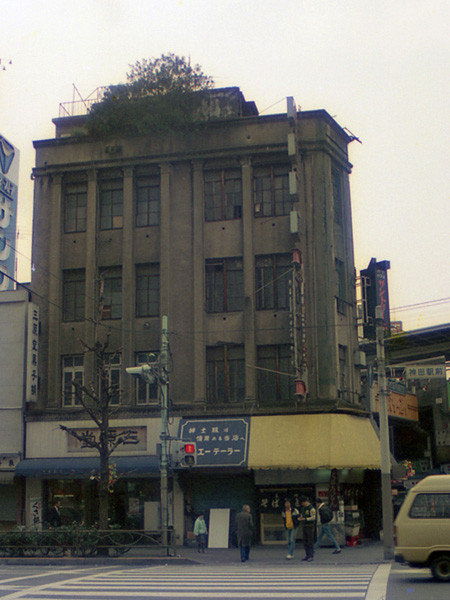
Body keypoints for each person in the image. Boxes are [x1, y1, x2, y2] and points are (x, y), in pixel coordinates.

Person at [299, 496, 316, 562]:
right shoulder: (303, 508)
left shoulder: (311, 508)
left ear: (305, 501)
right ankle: (307, 555)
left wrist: (305, 519)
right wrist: (301, 517)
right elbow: (302, 515)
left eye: (303, 502)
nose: (302, 504)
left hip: (310, 526)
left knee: (310, 541)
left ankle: (311, 556)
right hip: (304, 526)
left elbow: (313, 518)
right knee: (305, 541)